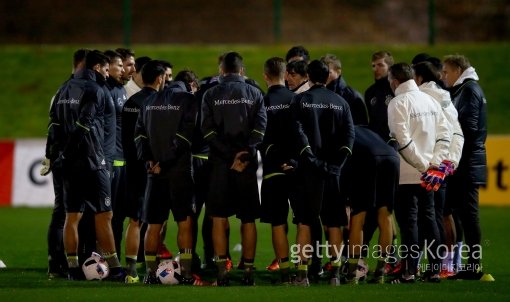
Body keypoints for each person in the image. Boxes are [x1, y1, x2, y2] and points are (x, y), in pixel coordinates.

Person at [45, 50, 124, 281]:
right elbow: (84, 124)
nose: (108, 75)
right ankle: (116, 268)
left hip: (67, 166)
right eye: (106, 70)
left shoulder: (63, 89)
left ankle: (72, 268)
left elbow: (54, 125)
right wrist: (69, 153)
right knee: (105, 214)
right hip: (92, 162)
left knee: (72, 215)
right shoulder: (95, 90)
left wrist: (55, 155)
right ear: (97, 68)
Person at [201, 51, 267, 286]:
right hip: (246, 165)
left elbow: (207, 132)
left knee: (219, 218)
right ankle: (248, 272)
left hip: (219, 163)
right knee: (248, 219)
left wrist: (229, 156)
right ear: (241, 70)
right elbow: (260, 130)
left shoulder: (210, 94)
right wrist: (245, 155)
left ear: (221, 71)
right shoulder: (255, 93)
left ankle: (222, 272)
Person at [134, 62, 202, 285]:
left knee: (153, 224)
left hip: (154, 173)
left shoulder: (149, 101)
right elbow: (185, 137)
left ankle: (150, 275)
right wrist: (164, 160)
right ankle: (187, 273)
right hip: (179, 171)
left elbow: (140, 135)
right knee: (184, 222)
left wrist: (150, 159)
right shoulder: (188, 100)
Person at [290, 59, 355, 286]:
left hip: (309, 172)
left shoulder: (300, 100)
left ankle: (302, 274)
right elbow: (349, 138)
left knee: (305, 222)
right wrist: (336, 164)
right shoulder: (341, 102)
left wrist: (311, 159)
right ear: (328, 76)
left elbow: (298, 135)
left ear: (307, 75)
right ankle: (335, 273)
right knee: (335, 222)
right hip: (333, 173)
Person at [387, 62, 450, 283]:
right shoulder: (431, 100)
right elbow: (445, 136)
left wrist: (423, 166)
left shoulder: (397, 102)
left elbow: (402, 141)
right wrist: (434, 164)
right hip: (431, 173)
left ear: (394, 81)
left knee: (409, 223)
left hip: (408, 172)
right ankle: (434, 269)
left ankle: (410, 271)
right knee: (430, 218)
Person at [412, 61, 464, 278]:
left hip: (428, 163)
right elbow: (457, 133)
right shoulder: (446, 99)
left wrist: (436, 163)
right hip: (443, 165)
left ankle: (423, 265)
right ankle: (444, 264)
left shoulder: (423, 98)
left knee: (425, 216)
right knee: (438, 214)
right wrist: (449, 163)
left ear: (420, 78)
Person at [41, 48, 89, 279]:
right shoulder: (82, 91)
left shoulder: (60, 91)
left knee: (62, 210)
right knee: (70, 211)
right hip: (74, 159)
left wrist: (50, 155)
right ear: (82, 66)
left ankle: (55, 263)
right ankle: (67, 262)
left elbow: (53, 126)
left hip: (60, 158)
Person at [442, 54, 488, 280]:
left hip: (468, 162)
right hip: (467, 162)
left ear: (458, 70)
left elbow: (467, 128)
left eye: (446, 72)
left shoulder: (469, 90)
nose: (443, 76)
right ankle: (468, 265)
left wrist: (453, 149)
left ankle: (474, 266)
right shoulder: (464, 90)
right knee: (462, 214)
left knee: (469, 215)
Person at [342, 125, 400, 284]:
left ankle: (352, 272)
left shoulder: (341, 132)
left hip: (366, 159)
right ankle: (380, 272)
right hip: (392, 157)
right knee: (386, 216)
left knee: (358, 215)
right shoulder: (366, 129)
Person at [259, 57, 298, 284]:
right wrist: (293, 159)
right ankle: (306, 269)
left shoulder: (262, 102)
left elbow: (259, 139)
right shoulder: (297, 99)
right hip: (297, 170)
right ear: (286, 75)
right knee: (304, 221)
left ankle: (283, 270)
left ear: (265, 76)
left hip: (273, 170)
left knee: (278, 223)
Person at [121, 58, 160, 283]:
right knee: (155, 220)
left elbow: (126, 138)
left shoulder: (130, 102)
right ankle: (150, 270)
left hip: (132, 166)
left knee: (134, 220)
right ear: (159, 79)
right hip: (153, 167)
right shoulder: (158, 102)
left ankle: (131, 271)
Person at [104, 50, 128, 259]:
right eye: (120, 65)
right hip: (109, 161)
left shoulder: (120, 90)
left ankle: (115, 257)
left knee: (118, 216)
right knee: (105, 215)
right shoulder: (105, 90)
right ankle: (98, 258)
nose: (123, 70)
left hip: (122, 160)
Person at [322, 54, 368, 125]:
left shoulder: (353, 96)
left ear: (338, 72)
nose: (323, 75)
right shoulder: (315, 93)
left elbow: (361, 127)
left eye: (328, 72)